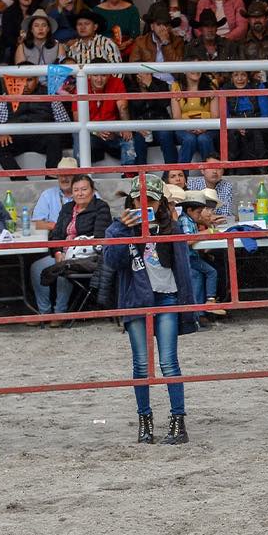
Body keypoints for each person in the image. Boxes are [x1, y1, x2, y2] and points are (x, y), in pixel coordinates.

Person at [102, 174, 198, 444]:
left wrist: (188, 307)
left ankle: (178, 421)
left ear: (160, 202)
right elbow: (112, 260)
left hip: (166, 297)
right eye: (139, 200)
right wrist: (122, 229)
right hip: (136, 300)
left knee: (168, 362)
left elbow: (183, 269)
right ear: (131, 201)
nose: (145, 204)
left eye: (151, 200)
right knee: (141, 365)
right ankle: (145, 422)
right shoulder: (120, 228)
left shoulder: (172, 228)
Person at [30, 173, 110, 323]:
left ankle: (60, 313)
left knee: (63, 268)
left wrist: (70, 252)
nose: (80, 193)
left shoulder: (101, 207)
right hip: (64, 253)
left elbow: (100, 237)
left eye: (84, 189)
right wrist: (58, 251)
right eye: (76, 190)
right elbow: (56, 233)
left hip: (87, 255)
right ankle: (44, 312)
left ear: (92, 191)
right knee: (36, 268)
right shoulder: (67, 208)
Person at [0, 70, 71, 175]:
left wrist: (50, 131)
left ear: (37, 80)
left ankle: (51, 177)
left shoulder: (49, 95)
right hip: (16, 139)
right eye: (21, 80)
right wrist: (2, 133)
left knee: (55, 139)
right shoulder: (6, 96)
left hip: (43, 138)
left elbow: (64, 122)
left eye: (29, 80)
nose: (25, 84)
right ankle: (19, 179)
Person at [176, 189, 225, 318]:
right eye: (199, 212)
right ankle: (209, 302)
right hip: (189, 258)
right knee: (211, 272)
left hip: (191, 257)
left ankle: (201, 311)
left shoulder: (191, 220)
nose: (202, 214)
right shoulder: (186, 221)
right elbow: (187, 239)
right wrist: (208, 232)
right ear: (189, 210)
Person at [171, 69, 218, 163]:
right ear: (184, 70)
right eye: (192, 67)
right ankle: (182, 175)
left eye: (198, 67)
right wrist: (188, 127)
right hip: (183, 126)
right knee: (189, 139)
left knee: (203, 139)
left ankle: (211, 172)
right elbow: (176, 116)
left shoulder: (211, 84)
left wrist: (205, 127)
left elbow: (215, 115)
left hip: (208, 126)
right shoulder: (176, 86)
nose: (196, 70)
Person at [30, 157, 78, 231]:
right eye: (61, 175)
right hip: (56, 237)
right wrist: (61, 227)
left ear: (76, 177)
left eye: (68, 175)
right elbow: (37, 224)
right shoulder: (47, 195)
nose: (64, 179)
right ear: (57, 177)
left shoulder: (87, 193)